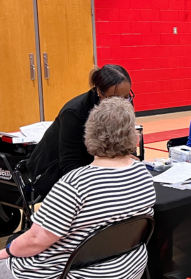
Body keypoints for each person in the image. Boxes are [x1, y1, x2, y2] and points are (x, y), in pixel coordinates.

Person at [0, 98, 156, 279]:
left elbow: (35, 241)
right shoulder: (142, 174)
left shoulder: (75, 183)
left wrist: (5, 252)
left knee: (19, 256)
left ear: (89, 135)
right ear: (134, 137)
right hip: (128, 273)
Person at [27, 64, 135, 197]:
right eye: (115, 98)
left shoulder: (123, 104)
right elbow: (69, 163)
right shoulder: (74, 113)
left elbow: (124, 139)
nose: (123, 103)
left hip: (95, 168)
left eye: (126, 97)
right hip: (53, 172)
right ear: (100, 92)